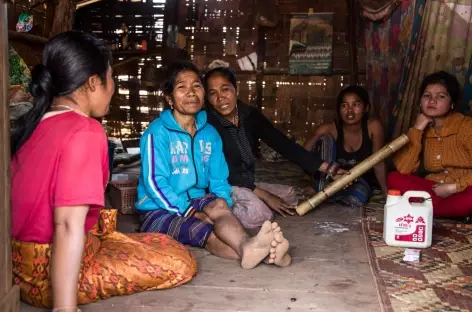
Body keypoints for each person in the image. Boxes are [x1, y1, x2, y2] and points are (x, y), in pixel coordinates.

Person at [10, 32, 197, 311]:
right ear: (94, 82)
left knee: (160, 241)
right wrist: (65, 308)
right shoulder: (85, 131)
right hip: (48, 276)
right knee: (180, 261)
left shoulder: (36, 122)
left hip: (17, 266)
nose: (114, 89)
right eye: (111, 79)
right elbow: (68, 224)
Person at [136, 61, 291, 269]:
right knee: (205, 229)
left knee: (218, 206)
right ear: (169, 98)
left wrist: (225, 207)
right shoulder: (157, 133)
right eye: (182, 87)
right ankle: (267, 255)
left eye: (197, 86)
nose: (191, 93)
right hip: (159, 208)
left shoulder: (209, 133)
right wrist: (191, 212)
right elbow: (155, 182)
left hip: (197, 198)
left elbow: (219, 180)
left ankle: (248, 246)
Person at [204, 66, 348, 228]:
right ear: (207, 99)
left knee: (289, 196)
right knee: (261, 214)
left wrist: (329, 169)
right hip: (224, 183)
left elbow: (283, 144)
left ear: (235, 89)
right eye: (212, 93)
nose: (220, 98)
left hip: (247, 180)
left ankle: (250, 201)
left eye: (225, 89)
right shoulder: (208, 124)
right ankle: (215, 212)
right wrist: (265, 195)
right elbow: (224, 172)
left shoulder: (249, 115)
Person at [388, 71, 472, 218]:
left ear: (451, 103)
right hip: (434, 191)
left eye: (441, 96)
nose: (432, 100)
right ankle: (443, 211)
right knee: (394, 178)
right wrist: (417, 129)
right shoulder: (422, 129)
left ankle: (430, 211)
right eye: (427, 96)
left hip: (463, 189)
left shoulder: (466, 127)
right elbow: (403, 169)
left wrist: (453, 187)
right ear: (420, 101)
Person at [304, 85, 387, 207]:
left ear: (366, 108)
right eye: (344, 105)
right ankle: (321, 188)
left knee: (358, 198)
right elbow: (304, 155)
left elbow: (379, 162)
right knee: (325, 139)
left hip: (359, 180)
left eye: (356, 105)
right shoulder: (329, 129)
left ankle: (324, 195)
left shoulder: (373, 127)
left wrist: (387, 194)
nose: (349, 111)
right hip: (330, 179)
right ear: (339, 110)